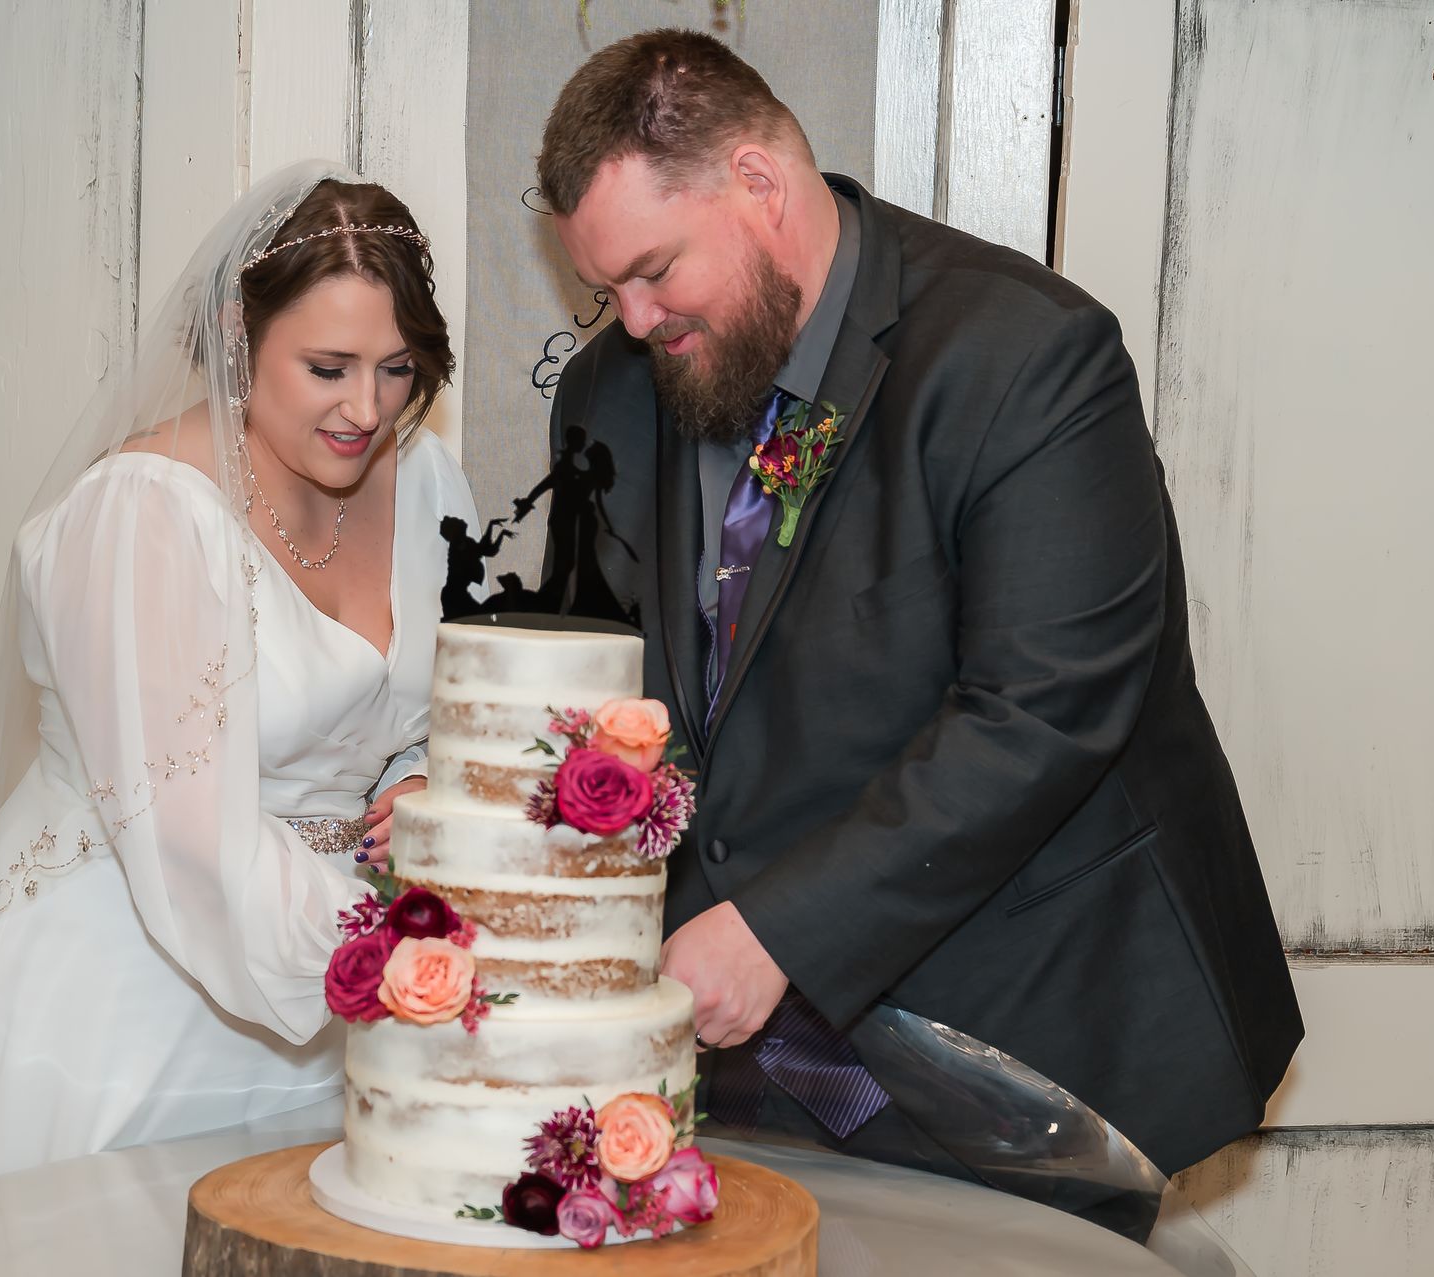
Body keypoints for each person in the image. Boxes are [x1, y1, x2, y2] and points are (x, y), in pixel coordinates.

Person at [535, 30, 1302, 1180]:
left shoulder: (1026, 355)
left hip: (1026, 1035)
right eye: (609, 289)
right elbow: (595, 679)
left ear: (757, 181)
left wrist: (777, 929)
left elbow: (1041, 711)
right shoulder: (608, 395)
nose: (633, 320)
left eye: (656, 269)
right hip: (739, 1068)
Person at [0, 162, 475, 1222]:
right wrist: (406, 956)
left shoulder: (429, 486)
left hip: (346, 967)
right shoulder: (140, 515)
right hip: (131, 989)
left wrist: (419, 783)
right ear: (240, 336)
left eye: (397, 369)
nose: (366, 409)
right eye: (327, 366)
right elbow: (190, 839)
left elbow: (444, 700)